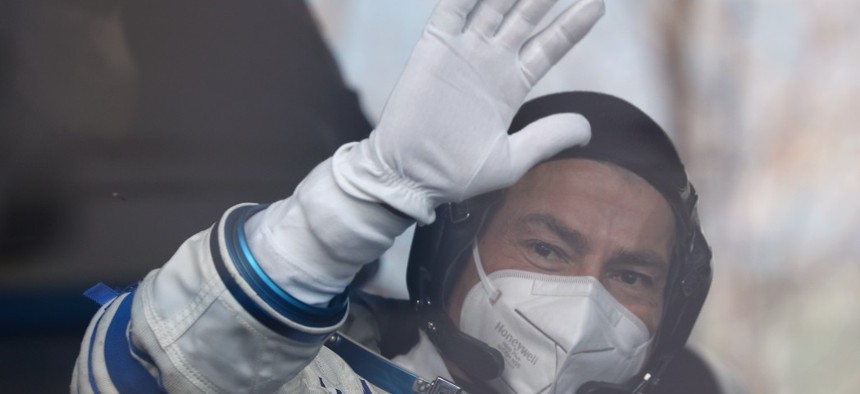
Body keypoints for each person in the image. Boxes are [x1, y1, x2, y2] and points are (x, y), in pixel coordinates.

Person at [72, 0, 712, 393]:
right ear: (454, 253)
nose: (586, 296)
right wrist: (371, 195)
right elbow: (153, 373)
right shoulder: (299, 382)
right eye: (547, 249)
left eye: (631, 274)